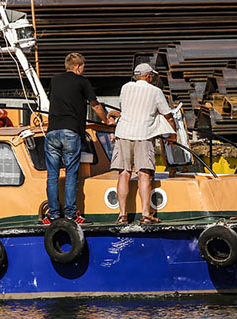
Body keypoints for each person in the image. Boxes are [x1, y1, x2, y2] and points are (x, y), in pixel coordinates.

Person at [43, 52, 111, 225]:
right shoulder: (82, 81)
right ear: (79, 67)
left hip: (52, 132)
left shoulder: (55, 80)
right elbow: (95, 105)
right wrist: (106, 120)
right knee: (71, 175)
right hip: (71, 132)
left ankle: (52, 214)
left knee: (52, 176)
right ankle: (71, 214)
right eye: (83, 67)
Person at [107, 63, 178, 225]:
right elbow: (168, 116)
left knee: (123, 173)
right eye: (151, 76)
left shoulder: (125, 88)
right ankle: (146, 215)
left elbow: (123, 109)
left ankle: (122, 215)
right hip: (144, 134)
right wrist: (172, 135)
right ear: (148, 76)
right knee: (144, 174)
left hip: (123, 133)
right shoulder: (155, 91)